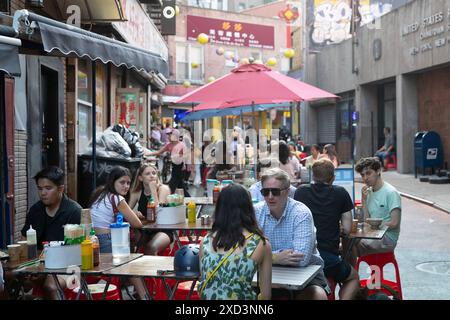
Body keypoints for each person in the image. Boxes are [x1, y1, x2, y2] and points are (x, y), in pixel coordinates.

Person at [254, 167, 329, 300]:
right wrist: (275, 257)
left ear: (287, 191)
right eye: (265, 192)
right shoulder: (256, 212)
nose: (270, 196)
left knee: (318, 296)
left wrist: (264, 256)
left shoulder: (301, 213)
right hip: (266, 274)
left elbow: (302, 259)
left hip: (306, 274)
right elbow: (247, 253)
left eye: (275, 192)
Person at [294, 159, 360, 300]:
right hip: (328, 260)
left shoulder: (300, 192)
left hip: (303, 258)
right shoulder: (340, 193)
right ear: (333, 178)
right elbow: (348, 229)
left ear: (313, 176)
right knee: (354, 277)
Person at [199, 184, 272, 300]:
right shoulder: (260, 244)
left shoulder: (206, 241)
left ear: (219, 208)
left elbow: (206, 283)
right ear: (248, 207)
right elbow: (266, 295)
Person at [20, 166, 82, 300]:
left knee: (51, 286)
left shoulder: (74, 211)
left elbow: (76, 252)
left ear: (61, 189)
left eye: (48, 188)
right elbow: (25, 240)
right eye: (40, 188)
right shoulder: (35, 210)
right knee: (9, 278)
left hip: (73, 268)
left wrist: (45, 271)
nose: (43, 193)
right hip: (39, 266)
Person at [89, 166, 147, 299]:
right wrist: (134, 215)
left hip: (92, 241)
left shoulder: (98, 193)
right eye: (122, 182)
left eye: (128, 183)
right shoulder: (117, 198)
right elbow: (137, 223)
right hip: (106, 240)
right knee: (131, 266)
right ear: (112, 181)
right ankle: (145, 297)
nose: (126, 186)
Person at [352, 157, 401, 264]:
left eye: (368, 173)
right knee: (347, 242)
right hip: (372, 234)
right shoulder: (369, 192)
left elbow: (395, 223)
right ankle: (352, 276)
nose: (365, 178)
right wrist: (364, 200)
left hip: (388, 238)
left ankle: (352, 277)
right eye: (362, 175)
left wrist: (377, 224)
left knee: (352, 247)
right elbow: (366, 220)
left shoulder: (391, 192)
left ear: (378, 171)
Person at [129, 162, 173, 255]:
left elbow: (159, 212)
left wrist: (153, 190)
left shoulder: (163, 189)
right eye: (147, 174)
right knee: (129, 242)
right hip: (145, 229)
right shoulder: (137, 192)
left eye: (154, 173)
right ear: (140, 178)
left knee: (151, 247)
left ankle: (153, 269)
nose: (152, 176)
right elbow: (127, 211)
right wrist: (135, 214)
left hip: (163, 229)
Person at [146, 128, 190, 196]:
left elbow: (185, 155)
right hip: (175, 166)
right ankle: (190, 199)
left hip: (181, 167)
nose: (168, 137)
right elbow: (159, 152)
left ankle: (165, 197)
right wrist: (147, 154)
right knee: (180, 185)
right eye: (168, 135)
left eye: (170, 135)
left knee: (173, 184)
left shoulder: (181, 144)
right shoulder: (169, 145)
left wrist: (184, 164)